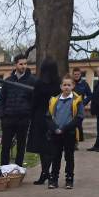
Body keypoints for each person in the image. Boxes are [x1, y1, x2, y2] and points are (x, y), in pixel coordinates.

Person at [0, 53, 36, 166]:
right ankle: (4, 168)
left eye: (25, 64)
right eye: (21, 64)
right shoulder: (8, 80)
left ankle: (18, 169)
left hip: (23, 119)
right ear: (15, 65)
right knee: (5, 146)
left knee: (21, 146)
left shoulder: (32, 81)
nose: (24, 66)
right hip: (8, 118)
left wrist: (29, 114)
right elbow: (2, 99)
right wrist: (2, 114)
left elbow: (34, 100)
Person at [27, 56, 61, 184]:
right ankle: (49, 172)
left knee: (42, 147)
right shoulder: (58, 83)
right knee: (51, 146)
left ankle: (45, 172)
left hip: (40, 116)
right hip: (53, 117)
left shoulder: (39, 83)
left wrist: (31, 115)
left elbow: (34, 101)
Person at [47, 75, 83, 189]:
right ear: (61, 86)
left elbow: (79, 117)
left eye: (69, 85)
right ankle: (54, 179)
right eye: (64, 85)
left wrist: (64, 128)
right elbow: (48, 117)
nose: (66, 87)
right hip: (56, 133)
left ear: (73, 86)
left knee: (69, 157)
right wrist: (55, 128)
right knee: (55, 157)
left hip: (69, 133)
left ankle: (69, 179)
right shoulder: (54, 100)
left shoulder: (77, 100)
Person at [71, 66, 92, 146]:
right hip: (70, 107)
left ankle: (77, 141)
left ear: (80, 75)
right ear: (73, 75)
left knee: (78, 124)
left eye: (78, 74)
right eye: (75, 74)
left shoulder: (84, 84)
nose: (76, 76)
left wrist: (84, 102)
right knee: (72, 124)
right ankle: (73, 142)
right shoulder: (71, 83)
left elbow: (90, 95)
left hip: (80, 107)